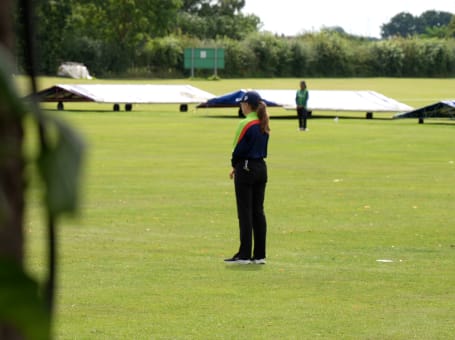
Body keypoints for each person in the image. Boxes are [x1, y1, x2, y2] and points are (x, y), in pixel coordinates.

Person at [225, 91, 270, 265]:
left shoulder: (245, 123)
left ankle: (244, 254)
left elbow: (238, 149)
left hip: (246, 168)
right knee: (258, 211)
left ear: (247, 105)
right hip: (261, 168)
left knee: (245, 212)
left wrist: (234, 165)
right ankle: (259, 255)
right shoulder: (263, 123)